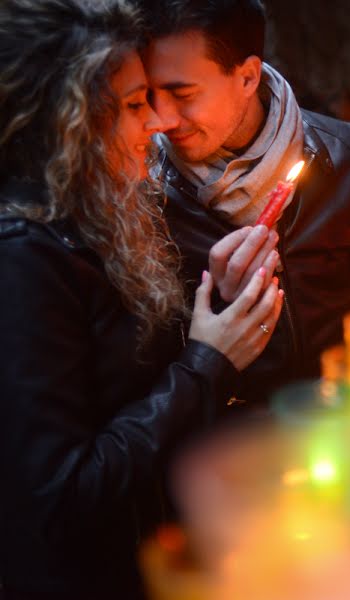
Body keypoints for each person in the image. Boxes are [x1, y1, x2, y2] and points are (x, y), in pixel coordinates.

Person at [0, 1, 283, 597]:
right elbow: (59, 497)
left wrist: (220, 303)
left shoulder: (90, 211)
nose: (157, 122)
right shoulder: (23, 256)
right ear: (68, 120)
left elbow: (120, 383)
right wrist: (208, 361)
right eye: (133, 104)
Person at [139, 0, 350, 407]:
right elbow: (145, 370)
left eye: (182, 93)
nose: (162, 119)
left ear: (247, 77)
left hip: (347, 413)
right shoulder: (141, 189)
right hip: (227, 443)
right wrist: (221, 302)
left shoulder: (346, 153)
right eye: (149, 95)